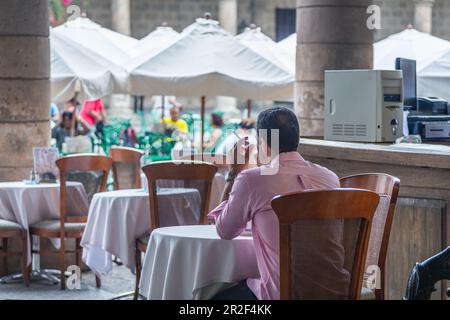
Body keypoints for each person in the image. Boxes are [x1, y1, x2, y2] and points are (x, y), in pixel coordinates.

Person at [209, 106, 349, 300]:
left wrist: (234, 173)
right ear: (297, 139)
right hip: (334, 292)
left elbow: (224, 231)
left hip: (280, 294)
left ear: (263, 142)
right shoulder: (330, 178)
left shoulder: (252, 180)